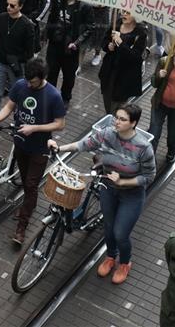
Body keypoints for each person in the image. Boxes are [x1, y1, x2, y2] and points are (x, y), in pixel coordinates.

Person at [50, 103, 154, 284]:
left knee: (121, 233)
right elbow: (84, 144)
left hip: (131, 194)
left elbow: (148, 176)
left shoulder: (143, 147)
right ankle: (110, 256)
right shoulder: (106, 134)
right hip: (108, 187)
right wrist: (60, 148)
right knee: (108, 226)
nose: (117, 122)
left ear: (133, 123)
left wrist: (123, 181)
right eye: (116, 117)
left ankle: (125, 262)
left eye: (123, 119)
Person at [0, 57, 65, 244]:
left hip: (39, 147)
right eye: (28, 80)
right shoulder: (20, 85)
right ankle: (31, 203)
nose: (30, 84)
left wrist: (34, 127)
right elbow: (10, 105)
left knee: (30, 185)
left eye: (33, 82)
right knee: (25, 179)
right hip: (20, 143)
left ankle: (21, 228)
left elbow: (60, 124)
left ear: (43, 77)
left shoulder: (53, 95)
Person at [45, 0, 93, 106]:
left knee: (68, 76)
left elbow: (90, 27)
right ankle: (50, 97)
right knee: (51, 73)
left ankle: (65, 99)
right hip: (55, 43)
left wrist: (77, 43)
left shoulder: (84, 6)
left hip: (70, 47)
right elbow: (52, 17)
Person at [0, 0, 36, 114]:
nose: (8, 7)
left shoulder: (27, 25)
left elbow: (29, 52)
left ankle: (18, 121)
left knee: (18, 97)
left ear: (20, 6)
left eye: (12, 5)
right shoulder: (2, 17)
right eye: (7, 4)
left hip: (17, 66)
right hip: (0, 62)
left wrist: (22, 64)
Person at [98, 11, 148, 114]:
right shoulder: (116, 24)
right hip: (109, 72)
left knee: (117, 107)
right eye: (123, 11)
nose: (124, 14)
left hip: (124, 76)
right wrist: (108, 46)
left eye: (128, 12)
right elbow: (104, 41)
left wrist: (120, 42)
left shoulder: (140, 33)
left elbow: (135, 57)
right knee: (107, 100)